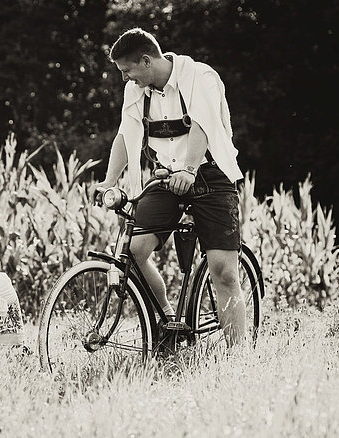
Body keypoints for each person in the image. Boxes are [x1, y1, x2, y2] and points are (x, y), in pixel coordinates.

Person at [93, 28, 246, 346]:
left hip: (210, 176)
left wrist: (190, 169)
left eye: (127, 70)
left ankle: (238, 355)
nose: (125, 79)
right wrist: (109, 181)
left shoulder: (199, 76)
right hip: (166, 177)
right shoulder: (138, 91)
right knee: (133, 251)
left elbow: (202, 124)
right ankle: (166, 323)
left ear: (146, 61)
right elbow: (126, 134)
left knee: (224, 272)